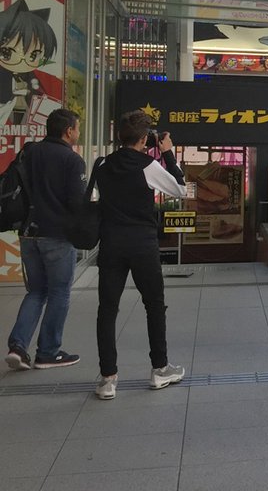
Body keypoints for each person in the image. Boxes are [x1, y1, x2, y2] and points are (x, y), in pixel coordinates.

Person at [93, 110, 188, 400]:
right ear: (145, 139)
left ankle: (108, 378)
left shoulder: (102, 164)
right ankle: (159, 369)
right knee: (154, 305)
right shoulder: (148, 165)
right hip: (142, 244)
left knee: (107, 309)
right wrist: (168, 154)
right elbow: (180, 189)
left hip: (111, 243)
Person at [5, 109, 86, 371]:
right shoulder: (72, 160)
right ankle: (48, 352)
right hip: (57, 235)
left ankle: (18, 347)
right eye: (77, 127)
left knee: (36, 291)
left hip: (28, 233)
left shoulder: (28, 152)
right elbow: (77, 202)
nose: (78, 132)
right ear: (68, 131)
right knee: (59, 292)